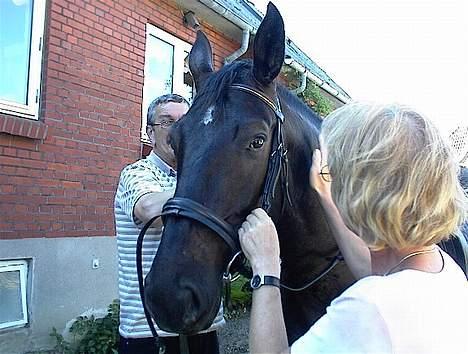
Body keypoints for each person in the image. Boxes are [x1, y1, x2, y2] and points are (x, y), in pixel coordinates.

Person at [238, 102, 468, 353]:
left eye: (338, 174)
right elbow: (371, 270)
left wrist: (266, 267)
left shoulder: (370, 309)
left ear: (362, 193)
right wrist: (326, 198)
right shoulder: (443, 269)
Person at [114, 94, 223, 354]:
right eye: (167, 121)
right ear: (151, 133)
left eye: (185, 121)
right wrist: (212, 188)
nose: (177, 128)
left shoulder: (201, 178)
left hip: (202, 324)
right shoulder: (136, 173)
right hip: (148, 330)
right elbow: (150, 210)